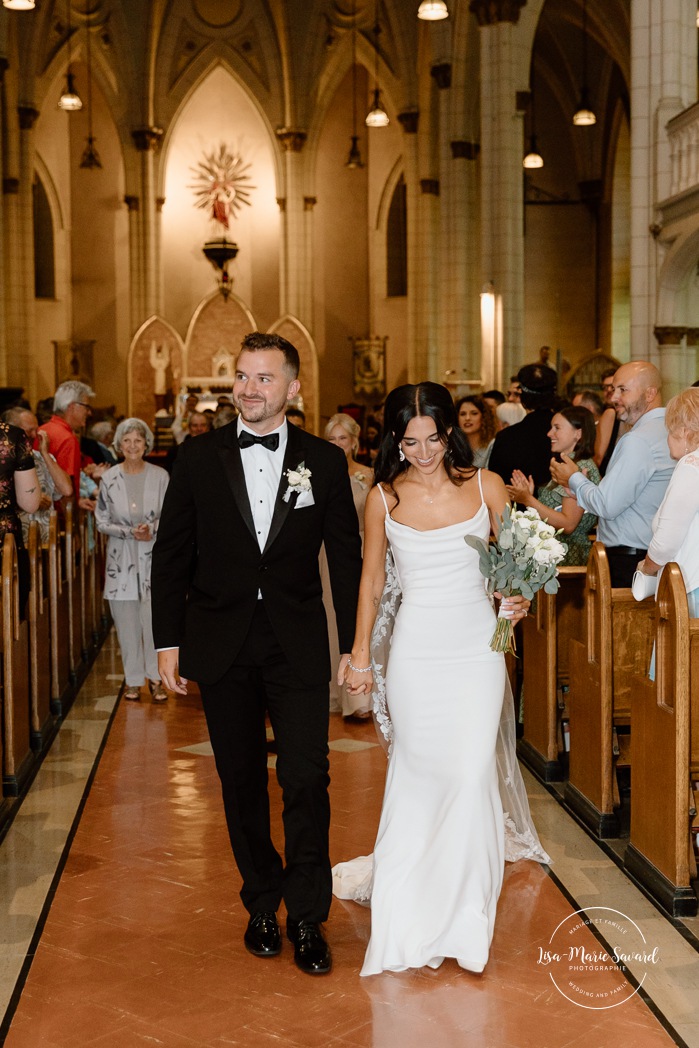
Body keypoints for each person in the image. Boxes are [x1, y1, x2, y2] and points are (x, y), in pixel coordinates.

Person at [151, 332, 362, 976]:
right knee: (240, 779)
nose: (248, 388)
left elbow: (348, 563)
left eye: (263, 378)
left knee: (306, 777)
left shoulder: (323, 463)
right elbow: (172, 553)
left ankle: (306, 914)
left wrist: (356, 649)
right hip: (221, 642)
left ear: (293, 389)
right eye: (242, 376)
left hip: (295, 641)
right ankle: (260, 901)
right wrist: (167, 640)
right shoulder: (196, 457)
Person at [332, 382, 548, 977]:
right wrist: (358, 656)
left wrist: (518, 595)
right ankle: (407, 919)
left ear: (450, 433)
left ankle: (465, 920)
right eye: (410, 441)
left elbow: (518, 564)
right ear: (395, 441)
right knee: (419, 776)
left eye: (432, 439)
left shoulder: (487, 487)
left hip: (477, 652)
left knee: (472, 772)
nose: (423, 452)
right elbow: (371, 582)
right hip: (416, 654)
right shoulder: (383, 499)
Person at [551, 361, 675, 587]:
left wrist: (574, 477)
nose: (613, 398)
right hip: (651, 554)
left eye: (623, 390)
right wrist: (580, 489)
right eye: (613, 389)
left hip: (629, 559)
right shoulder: (667, 430)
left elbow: (607, 505)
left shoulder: (638, 440)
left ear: (650, 394)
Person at [95, 419, 170, 703]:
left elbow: (174, 516)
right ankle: (133, 680)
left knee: (154, 622)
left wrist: (152, 529)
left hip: (153, 556)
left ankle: (156, 679)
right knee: (126, 623)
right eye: (127, 441)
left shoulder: (161, 476)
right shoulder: (109, 478)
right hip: (120, 559)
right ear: (118, 445)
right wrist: (129, 531)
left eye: (138, 440)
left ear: (146, 443)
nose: (132, 445)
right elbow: (101, 520)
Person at [322, 413, 374, 719]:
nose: (338, 444)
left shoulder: (367, 475)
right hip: (327, 554)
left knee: (362, 614)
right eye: (332, 439)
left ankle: (359, 699)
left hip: (364, 549)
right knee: (332, 617)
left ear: (354, 441)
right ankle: (333, 690)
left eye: (343, 438)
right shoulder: (321, 473)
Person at [506, 406, 601, 566]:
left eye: (557, 428)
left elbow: (568, 524)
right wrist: (530, 497)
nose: (550, 433)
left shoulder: (579, 467)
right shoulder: (568, 464)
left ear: (578, 434)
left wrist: (528, 500)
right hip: (558, 552)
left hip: (568, 556)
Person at [635, 387, 699, 616]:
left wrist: (647, 568)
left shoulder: (692, 464)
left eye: (669, 432)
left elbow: (667, 539)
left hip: (690, 585)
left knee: (681, 651)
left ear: (685, 432)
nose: (667, 440)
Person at [3, 407, 73, 545]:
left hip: (46, 542)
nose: (35, 435)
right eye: (29, 430)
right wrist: (29, 499)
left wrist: (45, 454)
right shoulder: (3, 460)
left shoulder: (42, 457)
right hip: (14, 543)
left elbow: (66, 489)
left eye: (36, 429)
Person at [489, 364, 559, 491]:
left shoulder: (507, 437)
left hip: (516, 508)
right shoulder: (568, 432)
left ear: (523, 396)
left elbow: (496, 483)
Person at [39, 380, 94, 503]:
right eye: (86, 407)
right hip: (58, 516)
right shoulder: (67, 438)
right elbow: (67, 491)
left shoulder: (42, 429)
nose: (89, 412)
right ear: (72, 406)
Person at [594, 366, 625, 475]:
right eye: (604, 387)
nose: (608, 391)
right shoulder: (606, 411)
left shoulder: (611, 412)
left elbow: (598, 456)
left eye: (612, 387)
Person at [455, 394, 497, 467]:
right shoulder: (453, 447)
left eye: (474, 413)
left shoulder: (492, 446)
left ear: (484, 417)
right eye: (463, 414)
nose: (467, 418)